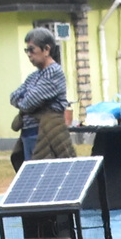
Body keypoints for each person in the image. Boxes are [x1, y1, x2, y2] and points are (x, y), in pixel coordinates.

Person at [10, 27, 73, 168]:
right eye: (26, 50)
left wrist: (26, 98)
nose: (29, 54)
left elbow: (28, 103)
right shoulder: (34, 76)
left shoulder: (54, 72)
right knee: (31, 176)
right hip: (28, 135)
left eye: (31, 49)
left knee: (45, 176)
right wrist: (27, 98)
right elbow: (13, 97)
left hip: (45, 135)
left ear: (46, 49)